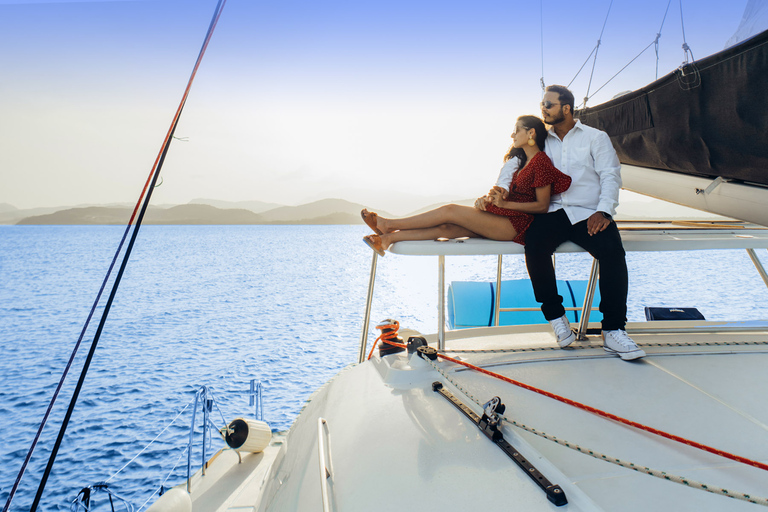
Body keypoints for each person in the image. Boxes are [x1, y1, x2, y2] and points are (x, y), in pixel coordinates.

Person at [525, 84, 645, 361]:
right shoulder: (540, 139)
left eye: (549, 104)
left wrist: (604, 212)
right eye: (542, 104)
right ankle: (556, 318)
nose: (543, 109)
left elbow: (610, 176)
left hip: (588, 212)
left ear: (566, 108)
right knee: (534, 245)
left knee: (613, 252)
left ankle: (613, 330)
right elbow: (520, 164)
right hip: (552, 211)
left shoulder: (595, 137)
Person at [360, 115, 571, 255]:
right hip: (504, 218)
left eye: (517, 130)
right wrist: (490, 201)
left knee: (450, 210)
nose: (512, 135)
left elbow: (542, 206)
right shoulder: (520, 163)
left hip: (517, 225)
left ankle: (388, 224)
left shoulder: (541, 162)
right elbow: (508, 196)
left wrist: (504, 206)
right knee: (447, 228)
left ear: (531, 133)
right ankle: (386, 240)